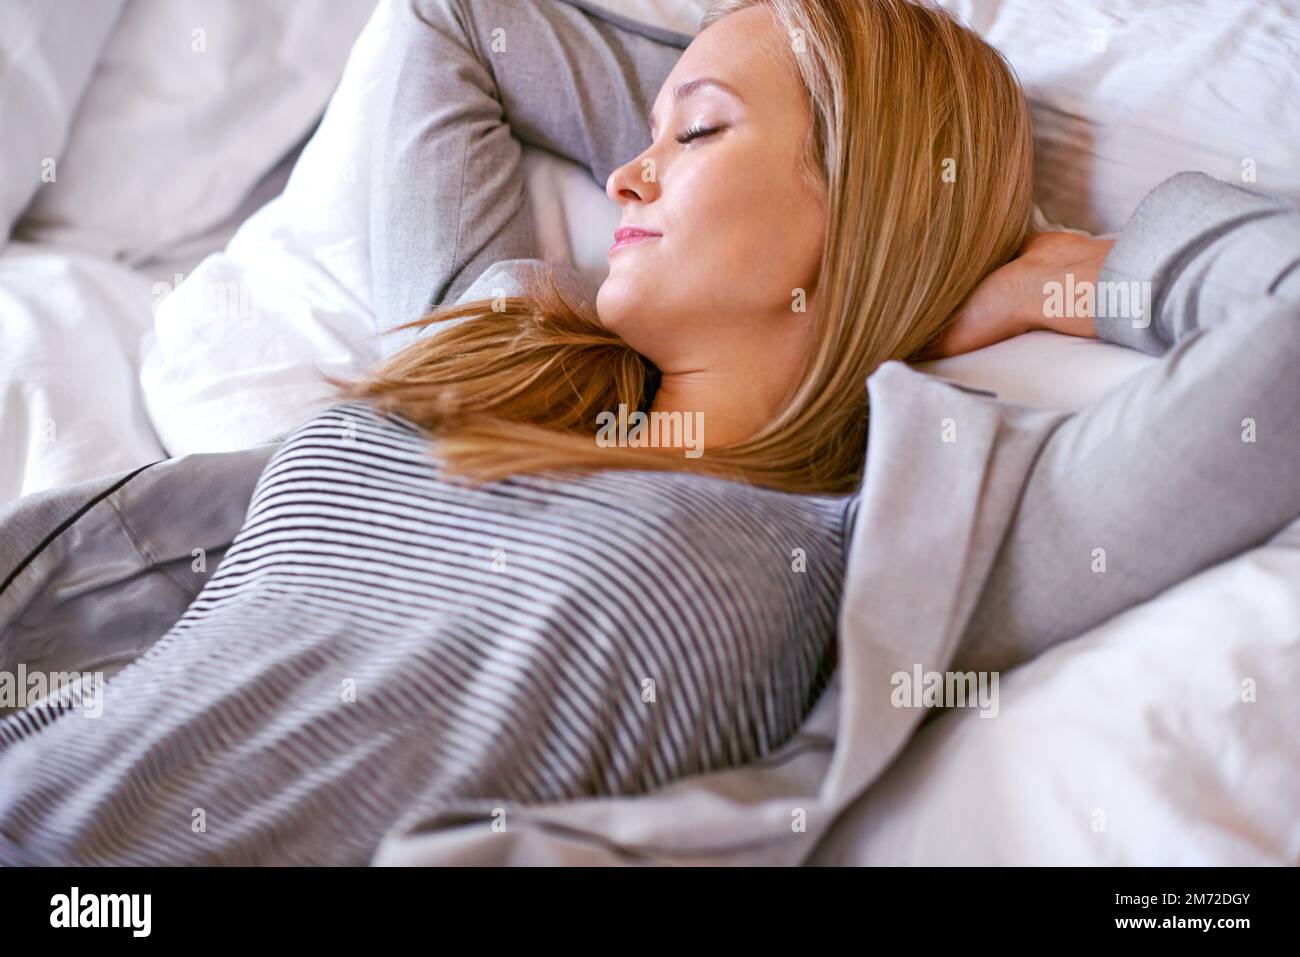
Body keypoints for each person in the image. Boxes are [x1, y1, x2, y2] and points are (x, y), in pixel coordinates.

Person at [1, 0, 1297, 866]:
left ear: (867, 189)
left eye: (699, 133)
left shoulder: (913, 538)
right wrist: (741, 98)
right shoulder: (505, 351)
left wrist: (1043, 267)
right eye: (645, 131)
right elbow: (458, 22)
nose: (626, 170)